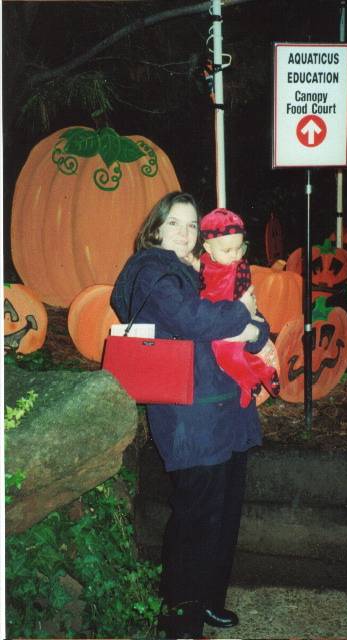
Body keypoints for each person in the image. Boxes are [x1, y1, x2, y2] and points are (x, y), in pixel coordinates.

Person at [110, 191, 271, 639]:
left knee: (222, 514)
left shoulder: (201, 270)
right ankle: (180, 616)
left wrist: (258, 330)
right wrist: (241, 314)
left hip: (227, 411)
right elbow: (192, 319)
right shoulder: (151, 270)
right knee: (196, 517)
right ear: (155, 229)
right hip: (191, 416)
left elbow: (250, 318)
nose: (184, 232)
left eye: (192, 225)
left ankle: (208, 602)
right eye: (175, 223)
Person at [199, 207, 280, 407]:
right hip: (216, 320)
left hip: (234, 318)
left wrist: (244, 319)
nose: (235, 255)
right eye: (227, 250)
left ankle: (250, 382)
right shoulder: (201, 265)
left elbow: (245, 300)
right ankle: (263, 372)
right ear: (208, 249)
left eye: (239, 248)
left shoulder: (239, 268)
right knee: (234, 355)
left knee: (226, 354)